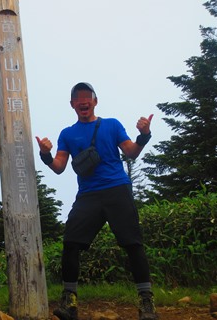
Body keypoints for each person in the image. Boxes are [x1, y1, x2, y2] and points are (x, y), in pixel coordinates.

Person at [36, 82, 158, 320]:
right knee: (71, 242)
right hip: (88, 195)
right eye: (78, 98)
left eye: (87, 97)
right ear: (72, 104)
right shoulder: (68, 133)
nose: (83, 101)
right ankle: (69, 302)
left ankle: (146, 303)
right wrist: (45, 154)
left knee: (133, 244)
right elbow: (59, 167)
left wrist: (144, 135)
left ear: (95, 101)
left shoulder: (112, 125)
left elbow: (131, 152)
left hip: (117, 189)